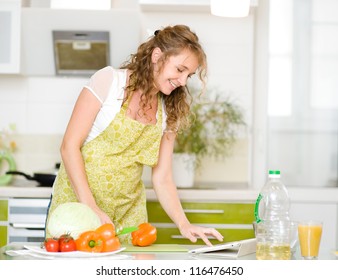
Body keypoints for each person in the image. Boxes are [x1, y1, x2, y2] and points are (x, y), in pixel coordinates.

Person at [46, 24, 223, 246]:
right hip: (79, 209)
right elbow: (69, 146)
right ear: (157, 56)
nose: (183, 81)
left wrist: (184, 224)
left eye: (189, 75)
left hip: (129, 217)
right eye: (180, 70)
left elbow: (163, 177)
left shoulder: (169, 111)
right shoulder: (109, 82)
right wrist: (91, 208)